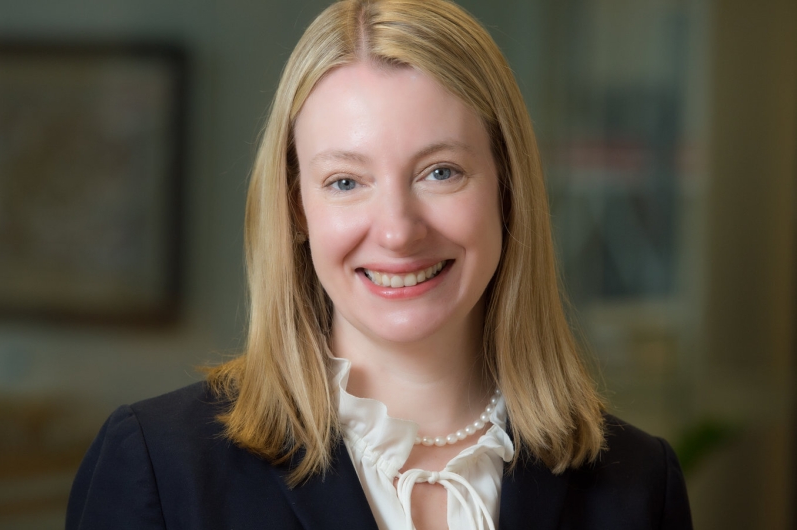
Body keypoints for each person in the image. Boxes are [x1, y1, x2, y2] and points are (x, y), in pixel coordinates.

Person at [66, 0, 693, 528]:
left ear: (508, 189)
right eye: (345, 181)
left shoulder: (639, 486)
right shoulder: (158, 465)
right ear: (297, 209)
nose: (396, 230)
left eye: (440, 172)